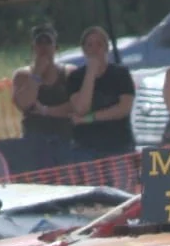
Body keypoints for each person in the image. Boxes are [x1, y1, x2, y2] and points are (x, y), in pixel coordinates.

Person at [10, 23, 76, 168]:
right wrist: (37, 74)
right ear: (33, 47)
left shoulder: (69, 73)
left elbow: (76, 106)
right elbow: (25, 103)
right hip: (34, 140)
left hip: (65, 139)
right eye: (39, 42)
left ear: (56, 47)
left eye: (48, 42)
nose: (44, 47)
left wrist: (46, 110)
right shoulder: (22, 75)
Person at [64, 26, 136, 158]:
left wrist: (89, 118)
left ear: (106, 48)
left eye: (99, 44)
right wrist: (90, 73)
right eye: (90, 45)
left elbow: (123, 109)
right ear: (84, 50)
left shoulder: (121, 74)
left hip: (118, 145)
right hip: (86, 147)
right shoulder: (75, 78)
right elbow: (81, 109)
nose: (95, 49)